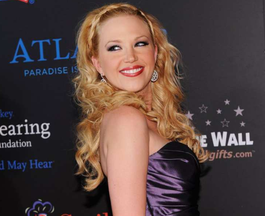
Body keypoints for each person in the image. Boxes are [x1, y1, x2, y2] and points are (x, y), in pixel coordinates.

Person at [73, 3, 208, 216]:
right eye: (114, 47)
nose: (130, 57)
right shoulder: (126, 118)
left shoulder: (136, 117)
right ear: (98, 64)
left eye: (140, 43)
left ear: (155, 53)